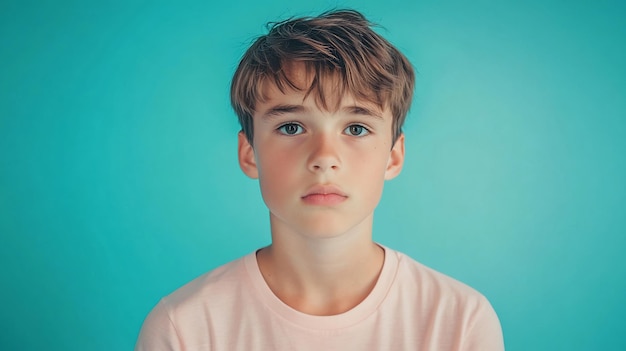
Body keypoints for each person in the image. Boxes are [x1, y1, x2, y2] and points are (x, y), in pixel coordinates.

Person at [135, 9, 504, 350]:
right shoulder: (184, 328)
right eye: (292, 127)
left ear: (393, 155)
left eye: (356, 128)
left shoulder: (459, 321)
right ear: (249, 153)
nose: (324, 157)